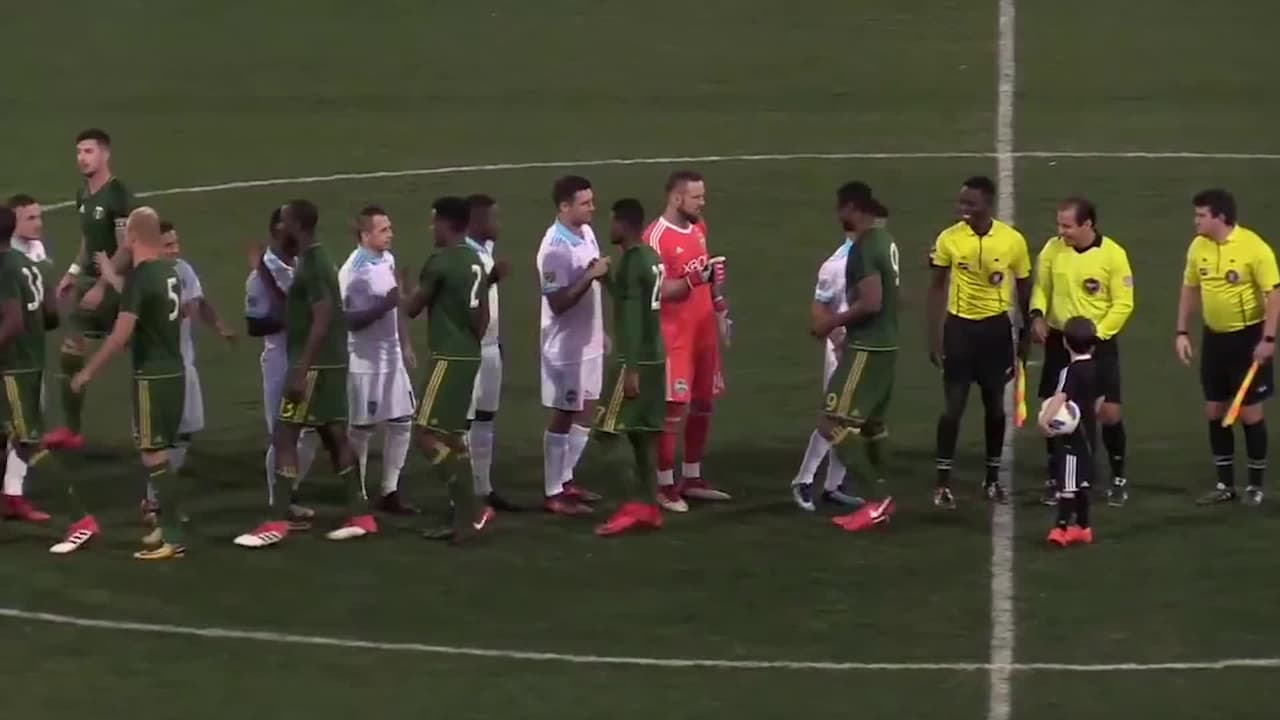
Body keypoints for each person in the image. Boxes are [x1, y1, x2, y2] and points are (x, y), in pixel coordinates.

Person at [233, 200, 376, 548]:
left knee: (285, 435)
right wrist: (262, 271)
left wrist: (302, 368)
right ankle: (360, 514)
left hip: (315, 366)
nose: (279, 228)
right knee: (334, 437)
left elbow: (322, 315)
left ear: (297, 225)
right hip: (330, 363)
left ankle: (277, 520)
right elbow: (298, 310)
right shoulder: (315, 259)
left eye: (284, 221)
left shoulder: (312, 264)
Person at [96, 222, 236, 534]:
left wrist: (220, 327)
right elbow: (137, 310)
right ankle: (155, 503)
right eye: (168, 244)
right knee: (157, 441)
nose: (175, 249)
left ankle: (159, 500)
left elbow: (198, 303)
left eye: (176, 243)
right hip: (155, 371)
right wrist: (111, 278)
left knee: (185, 432)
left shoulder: (182, 270)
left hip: (185, 366)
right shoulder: (144, 277)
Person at [70, 207, 187, 560]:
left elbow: (120, 335)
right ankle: (166, 527)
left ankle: (173, 535)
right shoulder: (170, 272)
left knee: (154, 456)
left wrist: (87, 372)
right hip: (175, 372)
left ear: (132, 236)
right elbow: (158, 314)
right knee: (160, 453)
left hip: (150, 376)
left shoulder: (140, 276)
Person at [927, 175, 1031, 507]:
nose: (963, 209)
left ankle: (992, 478)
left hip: (996, 331)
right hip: (960, 330)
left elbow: (1024, 287)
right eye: (961, 202)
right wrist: (935, 336)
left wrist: (1026, 332)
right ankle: (942, 483)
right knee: (952, 409)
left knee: (995, 408)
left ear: (987, 204)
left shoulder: (1012, 241)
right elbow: (937, 287)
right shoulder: (949, 239)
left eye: (970, 203)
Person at [0, 205, 95, 554]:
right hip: (30, 361)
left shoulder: (4, 268)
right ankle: (10, 497)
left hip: (16, 367)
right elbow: (51, 314)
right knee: (13, 434)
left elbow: (13, 323)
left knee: (31, 442)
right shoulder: (29, 264)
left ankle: (81, 520)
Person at [1176, 189, 1279, 506]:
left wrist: (1268, 339)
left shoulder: (1253, 248)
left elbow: (1274, 295)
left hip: (1247, 340)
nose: (1195, 221)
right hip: (1215, 339)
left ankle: (1255, 485)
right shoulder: (1198, 247)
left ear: (1220, 217)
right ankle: (1225, 484)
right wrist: (1182, 331)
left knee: (1249, 412)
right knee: (1215, 410)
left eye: (1201, 215)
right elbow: (1190, 287)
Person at [1030, 198, 1134, 507]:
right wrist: (1037, 314)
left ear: (1088, 224)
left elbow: (1123, 303)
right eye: (1059, 224)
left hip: (1098, 343)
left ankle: (1117, 478)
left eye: (1067, 226)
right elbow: (1042, 287)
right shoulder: (1053, 249)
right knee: (1055, 410)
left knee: (1108, 412)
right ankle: (1057, 478)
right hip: (1060, 343)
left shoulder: (1113, 255)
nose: (1061, 231)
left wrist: (1095, 335)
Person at [809, 182, 899, 532]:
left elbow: (872, 302)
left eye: (840, 208)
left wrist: (831, 324)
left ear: (850, 208)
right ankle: (883, 498)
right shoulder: (885, 240)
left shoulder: (864, 247)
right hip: (886, 344)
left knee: (831, 421)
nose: (838, 215)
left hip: (867, 347)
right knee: (873, 424)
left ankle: (877, 498)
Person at [404, 196, 493, 542]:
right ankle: (467, 517)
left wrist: (399, 289)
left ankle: (468, 508)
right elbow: (482, 317)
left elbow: (412, 308)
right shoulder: (475, 260)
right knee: (454, 438)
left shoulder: (440, 262)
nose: (431, 228)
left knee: (424, 434)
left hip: (447, 357)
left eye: (434, 221)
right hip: (470, 354)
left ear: (445, 223)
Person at [643, 170, 732, 512]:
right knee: (673, 410)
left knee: (704, 402)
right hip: (674, 336)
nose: (702, 202)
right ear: (676, 198)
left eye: (703, 196)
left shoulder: (698, 227)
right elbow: (656, 290)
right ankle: (665, 486)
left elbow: (707, 276)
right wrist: (694, 278)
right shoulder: (656, 237)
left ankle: (692, 478)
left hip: (704, 330)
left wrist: (720, 306)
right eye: (696, 197)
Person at [791, 199, 888, 511]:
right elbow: (820, 308)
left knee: (853, 420)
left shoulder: (877, 255)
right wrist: (837, 337)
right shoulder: (837, 265)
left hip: (870, 347)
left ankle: (833, 486)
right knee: (834, 419)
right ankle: (804, 480)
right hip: (847, 349)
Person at [50, 129, 135, 450]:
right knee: (70, 351)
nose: (82, 158)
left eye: (89, 151)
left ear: (105, 154)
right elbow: (87, 239)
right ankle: (72, 430)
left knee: (139, 351)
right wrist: (73, 272)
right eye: (79, 152)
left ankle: (166, 424)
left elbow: (126, 247)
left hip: (118, 285)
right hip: (88, 282)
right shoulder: (83, 193)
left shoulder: (118, 194)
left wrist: (102, 286)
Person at [593, 198, 669, 536]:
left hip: (633, 359)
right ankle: (649, 506)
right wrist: (607, 281)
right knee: (642, 435)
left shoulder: (632, 262)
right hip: (656, 357)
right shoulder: (651, 258)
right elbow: (632, 302)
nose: (609, 228)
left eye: (612, 222)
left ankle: (634, 504)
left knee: (606, 433)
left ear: (624, 225)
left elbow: (634, 319)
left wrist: (632, 369)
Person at [537, 176, 610, 515]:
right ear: (564, 206)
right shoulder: (553, 249)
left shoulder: (587, 232)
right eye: (585, 203)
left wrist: (600, 331)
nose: (593, 208)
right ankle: (553, 492)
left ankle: (566, 479)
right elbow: (558, 303)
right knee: (565, 413)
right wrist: (590, 276)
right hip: (565, 348)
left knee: (588, 409)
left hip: (589, 341)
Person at [339, 206, 417, 514]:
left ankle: (389, 490)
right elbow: (348, 321)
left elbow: (396, 305)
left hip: (392, 356)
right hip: (366, 361)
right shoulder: (352, 272)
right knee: (362, 429)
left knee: (402, 422)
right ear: (365, 235)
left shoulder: (387, 259)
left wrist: (405, 343)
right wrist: (384, 305)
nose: (390, 234)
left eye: (389, 228)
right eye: (383, 230)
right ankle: (356, 493)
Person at [245, 208, 319, 523]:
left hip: (308, 358)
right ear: (278, 229)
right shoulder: (258, 278)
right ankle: (280, 501)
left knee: (310, 432)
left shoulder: (301, 266)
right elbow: (254, 325)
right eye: (291, 225)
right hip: (280, 361)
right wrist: (293, 318)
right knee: (282, 434)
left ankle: (291, 491)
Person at [1, 194, 53, 522]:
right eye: (30, 218)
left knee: (22, 430)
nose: (38, 224)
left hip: (21, 357)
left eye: (38, 216)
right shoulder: (18, 262)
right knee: (25, 430)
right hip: (19, 358)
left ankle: (12, 492)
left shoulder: (31, 254)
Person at [464, 194, 517, 511]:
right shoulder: (464, 254)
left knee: (486, 418)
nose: (498, 224)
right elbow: (463, 296)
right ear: (476, 221)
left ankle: (484, 488)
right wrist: (491, 278)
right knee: (466, 422)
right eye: (492, 218)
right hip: (470, 348)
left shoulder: (485, 249)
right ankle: (462, 496)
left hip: (491, 346)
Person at [1040, 316, 1101, 547]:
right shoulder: (1097, 368)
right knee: (1082, 482)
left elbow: (1061, 397)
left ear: (1065, 343)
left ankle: (1061, 528)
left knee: (1067, 484)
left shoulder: (1070, 371)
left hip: (1072, 437)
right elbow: (1100, 399)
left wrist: (1045, 420)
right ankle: (1084, 528)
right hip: (1090, 432)